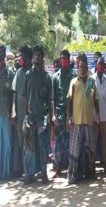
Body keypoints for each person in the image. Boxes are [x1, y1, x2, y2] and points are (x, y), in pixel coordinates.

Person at [67, 55, 99, 184]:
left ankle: (90, 173)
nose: (82, 68)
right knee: (75, 149)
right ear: (77, 67)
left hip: (89, 121)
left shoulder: (92, 82)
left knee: (90, 149)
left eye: (84, 66)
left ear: (87, 68)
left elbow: (96, 100)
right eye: (80, 66)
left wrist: (98, 115)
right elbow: (69, 101)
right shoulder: (73, 82)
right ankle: (74, 175)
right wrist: (69, 118)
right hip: (76, 121)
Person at [22, 45, 52, 184]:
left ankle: (44, 173)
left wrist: (50, 118)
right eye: (34, 55)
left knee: (41, 146)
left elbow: (49, 100)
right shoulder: (28, 75)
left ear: (42, 57)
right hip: (30, 116)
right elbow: (24, 97)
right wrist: (25, 117)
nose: (36, 57)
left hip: (42, 118)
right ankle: (29, 174)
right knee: (29, 147)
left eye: (39, 55)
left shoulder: (47, 77)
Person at [51, 50, 76, 178]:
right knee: (59, 142)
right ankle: (58, 166)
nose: (64, 60)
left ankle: (70, 167)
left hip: (71, 115)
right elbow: (53, 99)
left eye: (66, 58)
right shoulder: (55, 77)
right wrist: (53, 115)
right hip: (59, 114)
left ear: (69, 60)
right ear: (60, 60)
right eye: (62, 58)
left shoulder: (73, 76)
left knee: (71, 142)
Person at [11, 46, 33, 178]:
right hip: (19, 114)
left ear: (29, 57)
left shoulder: (33, 72)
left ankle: (30, 172)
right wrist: (13, 111)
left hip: (31, 115)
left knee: (30, 143)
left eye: (23, 56)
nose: (20, 59)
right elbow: (14, 93)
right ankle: (24, 171)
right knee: (21, 143)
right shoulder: (19, 73)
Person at [91, 57, 106, 174]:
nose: (100, 66)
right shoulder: (91, 79)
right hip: (94, 117)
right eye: (99, 64)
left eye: (102, 64)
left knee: (105, 142)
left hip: (104, 116)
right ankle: (92, 166)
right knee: (93, 142)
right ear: (96, 65)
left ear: (104, 66)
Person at [0, 45, 14, 180]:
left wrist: (13, 112)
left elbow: (13, 95)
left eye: (1, 53)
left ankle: (6, 173)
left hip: (6, 114)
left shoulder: (10, 73)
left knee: (8, 145)